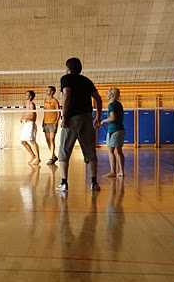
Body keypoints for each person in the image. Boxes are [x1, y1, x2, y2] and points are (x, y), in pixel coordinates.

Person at [56, 57, 103, 192]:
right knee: (90, 150)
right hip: (87, 118)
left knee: (64, 150)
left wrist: (64, 116)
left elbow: (67, 95)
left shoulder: (66, 79)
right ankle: (94, 183)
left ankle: (64, 183)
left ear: (68, 68)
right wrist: (98, 117)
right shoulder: (86, 80)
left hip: (72, 118)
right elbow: (98, 99)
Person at [100, 87, 125, 178]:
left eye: (107, 93)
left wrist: (103, 121)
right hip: (120, 129)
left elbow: (113, 118)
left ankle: (112, 172)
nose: (106, 95)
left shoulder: (111, 105)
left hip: (114, 130)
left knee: (110, 151)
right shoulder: (119, 104)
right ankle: (121, 171)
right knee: (119, 151)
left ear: (112, 95)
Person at [20, 90, 40, 165]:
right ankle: (32, 155)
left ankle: (38, 158)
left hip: (30, 124)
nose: (25, 96)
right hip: (27, 124)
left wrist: (23, 117)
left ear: (30, 96)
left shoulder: (31, 104)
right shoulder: (28, 104)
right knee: (23, 141)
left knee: (32, 141)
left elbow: (32, 116)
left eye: (26, 95)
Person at [43, 86, 61, 165]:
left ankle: (51, 157)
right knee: (47, 140)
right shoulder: (45, 100)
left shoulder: (54, 101)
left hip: (52, 122)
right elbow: (45, 112)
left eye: (48, 90)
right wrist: (43, 121)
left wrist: (56, 122)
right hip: (46, 122)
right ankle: (53, 155)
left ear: (52, 92)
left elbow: (58, 112)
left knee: (52, 139)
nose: (46, 91)